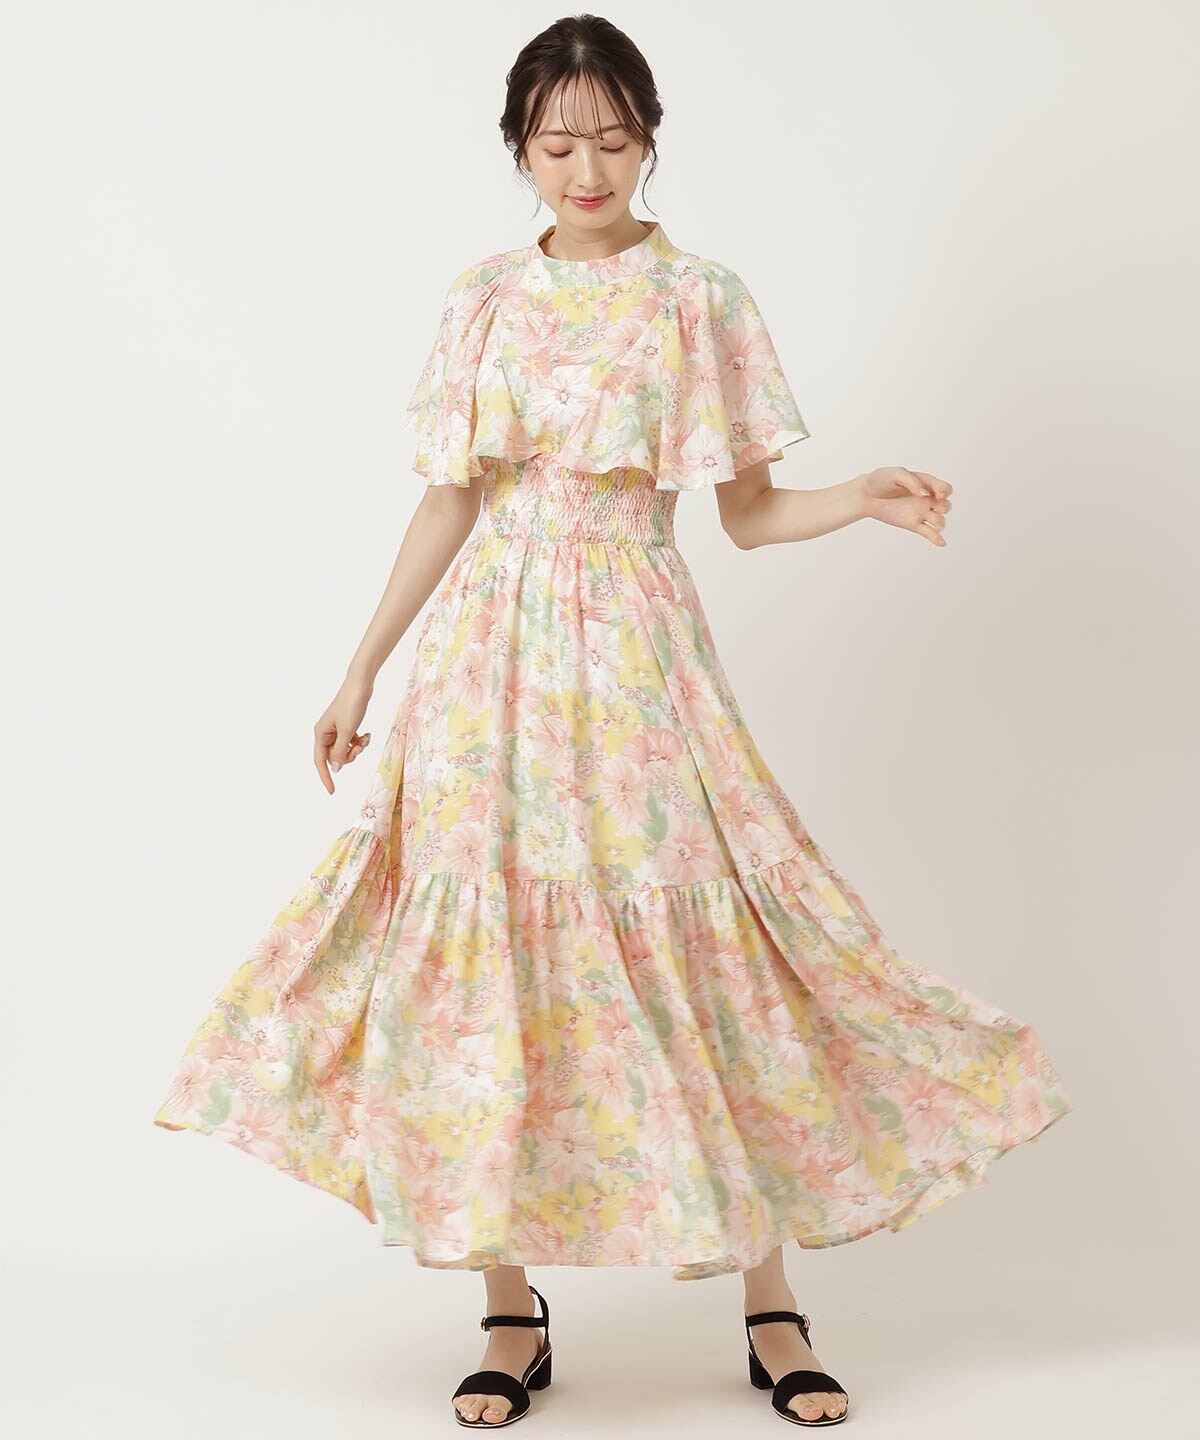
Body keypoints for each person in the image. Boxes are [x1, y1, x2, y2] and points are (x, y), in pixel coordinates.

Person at [152, 14, 1073, 1431]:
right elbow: (452, 497)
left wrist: (862, 496)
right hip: (487, 669)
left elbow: (747, 515)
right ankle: (508, 1310)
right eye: (557, 144)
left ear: (650, 140)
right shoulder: (481, 299)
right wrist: (360, 672)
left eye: (614, 139)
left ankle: (771, 1302)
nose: (587, 170)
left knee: (709, 947)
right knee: (483, 969)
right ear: (519, 151)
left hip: (639, 656)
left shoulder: (701, 298)